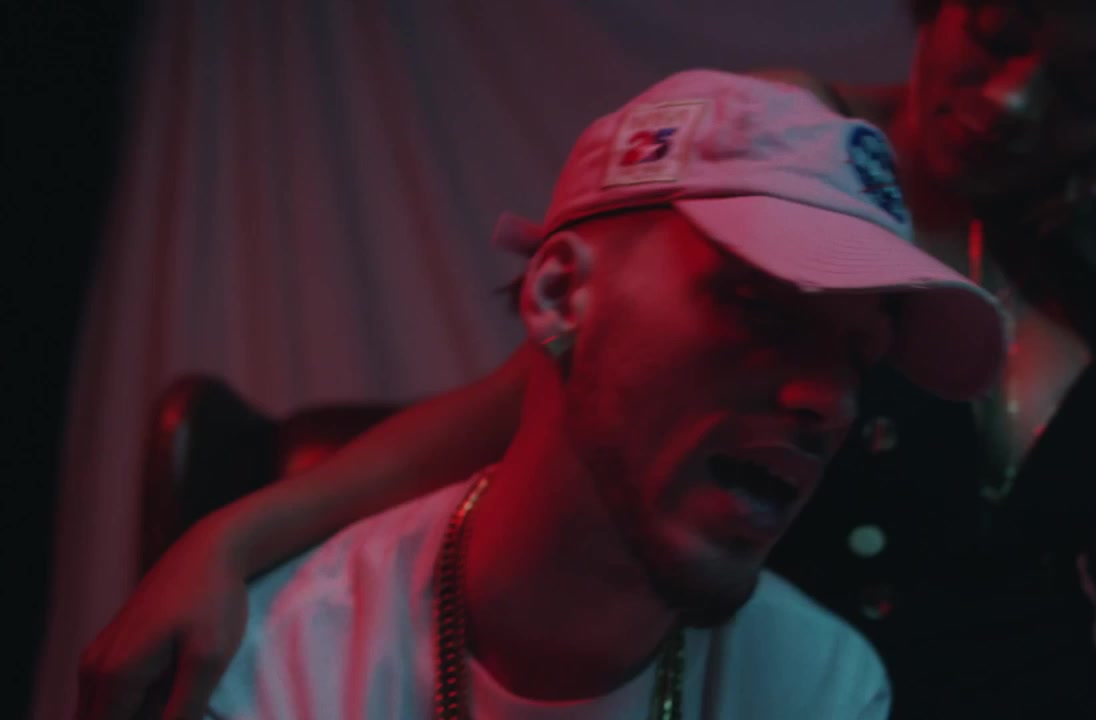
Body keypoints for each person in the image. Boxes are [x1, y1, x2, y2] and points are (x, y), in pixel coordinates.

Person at [77, 0, 1096, 718]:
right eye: (996, 30)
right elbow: (533, 396)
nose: (1011, 100)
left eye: (1093, 86)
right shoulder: (793, 153)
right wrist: (229, 539)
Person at [122, 70, 1009, 719]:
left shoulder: (821, 689)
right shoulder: (274, 669)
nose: (831, 401)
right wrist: (235, 541)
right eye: (761, 309)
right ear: (558, 295)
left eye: (859, 358)